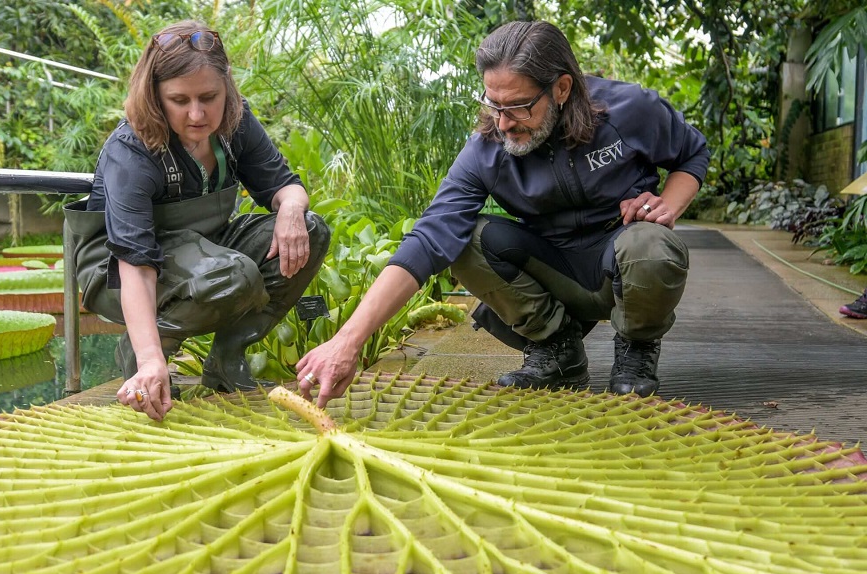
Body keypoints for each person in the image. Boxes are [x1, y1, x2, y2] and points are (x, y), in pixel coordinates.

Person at [296, 20, 708, 408]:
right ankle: (556, 349)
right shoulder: (486, 149)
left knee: (653, 246)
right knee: (463, 240)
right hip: (555, 270)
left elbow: (692, 153)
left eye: (518, 107)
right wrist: (348, 340)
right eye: (493, 104)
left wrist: (666, 204)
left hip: (621, 258)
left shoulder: (628, 109)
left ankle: (636, 347)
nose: (503, 123)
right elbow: (428, 238)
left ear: (561, 88)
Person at [64, 20, 330, 421]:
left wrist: (292, 208)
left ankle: (226, 356)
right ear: (155, 96)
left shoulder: (236, 123)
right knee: (231, 274)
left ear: (227, 88)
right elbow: (135, 264)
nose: (197, 113)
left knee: (312, 230)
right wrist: (153, 356)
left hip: (208, 246)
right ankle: (144, 359)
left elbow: (285, 186)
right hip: (117, 269)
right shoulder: (130, 153)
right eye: (179, 100)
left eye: (209, 96)